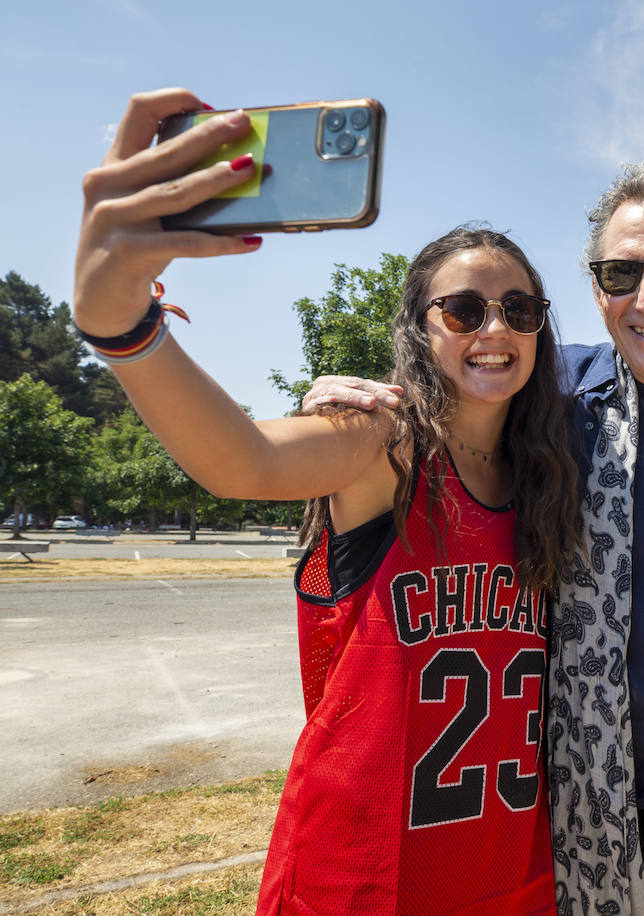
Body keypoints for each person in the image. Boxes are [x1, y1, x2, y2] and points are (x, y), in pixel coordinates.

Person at [305, 163, 644, 916]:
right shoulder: (551, 399)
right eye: (617, 274)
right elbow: (451, 396)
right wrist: (342, 401)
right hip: (572, 793)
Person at [73, 89, 581, 915]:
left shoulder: (552, 477)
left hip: (510, 872)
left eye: (518, 309)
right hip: (362, 876)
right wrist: (123, 324)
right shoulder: (381, 441)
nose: (494, 327)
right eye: (463, 309)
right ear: (422, 327)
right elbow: (239, 459)